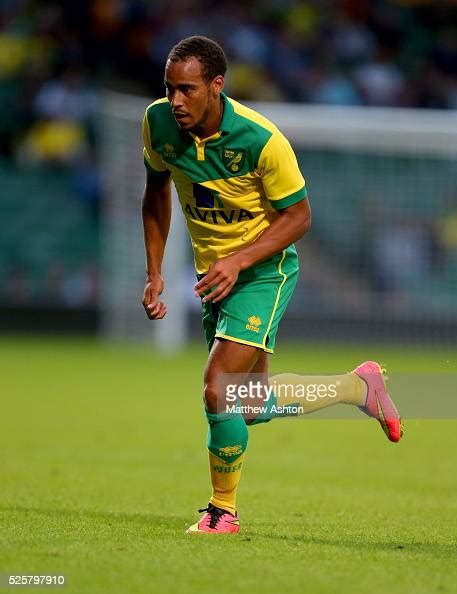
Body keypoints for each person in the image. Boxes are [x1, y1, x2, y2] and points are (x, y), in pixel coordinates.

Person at [141, 36, 402, 535]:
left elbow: (299, 216)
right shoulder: (157, 123)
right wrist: (154, 271)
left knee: (217, 388)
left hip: (264, 270)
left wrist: (239, 260)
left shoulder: (261, 139)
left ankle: (223, 512)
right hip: (212, 275)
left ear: (217, 86)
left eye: (188, 90)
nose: (176, 100)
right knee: (247, 404)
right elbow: (155, 192)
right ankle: (358, 386)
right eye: (170, 88)